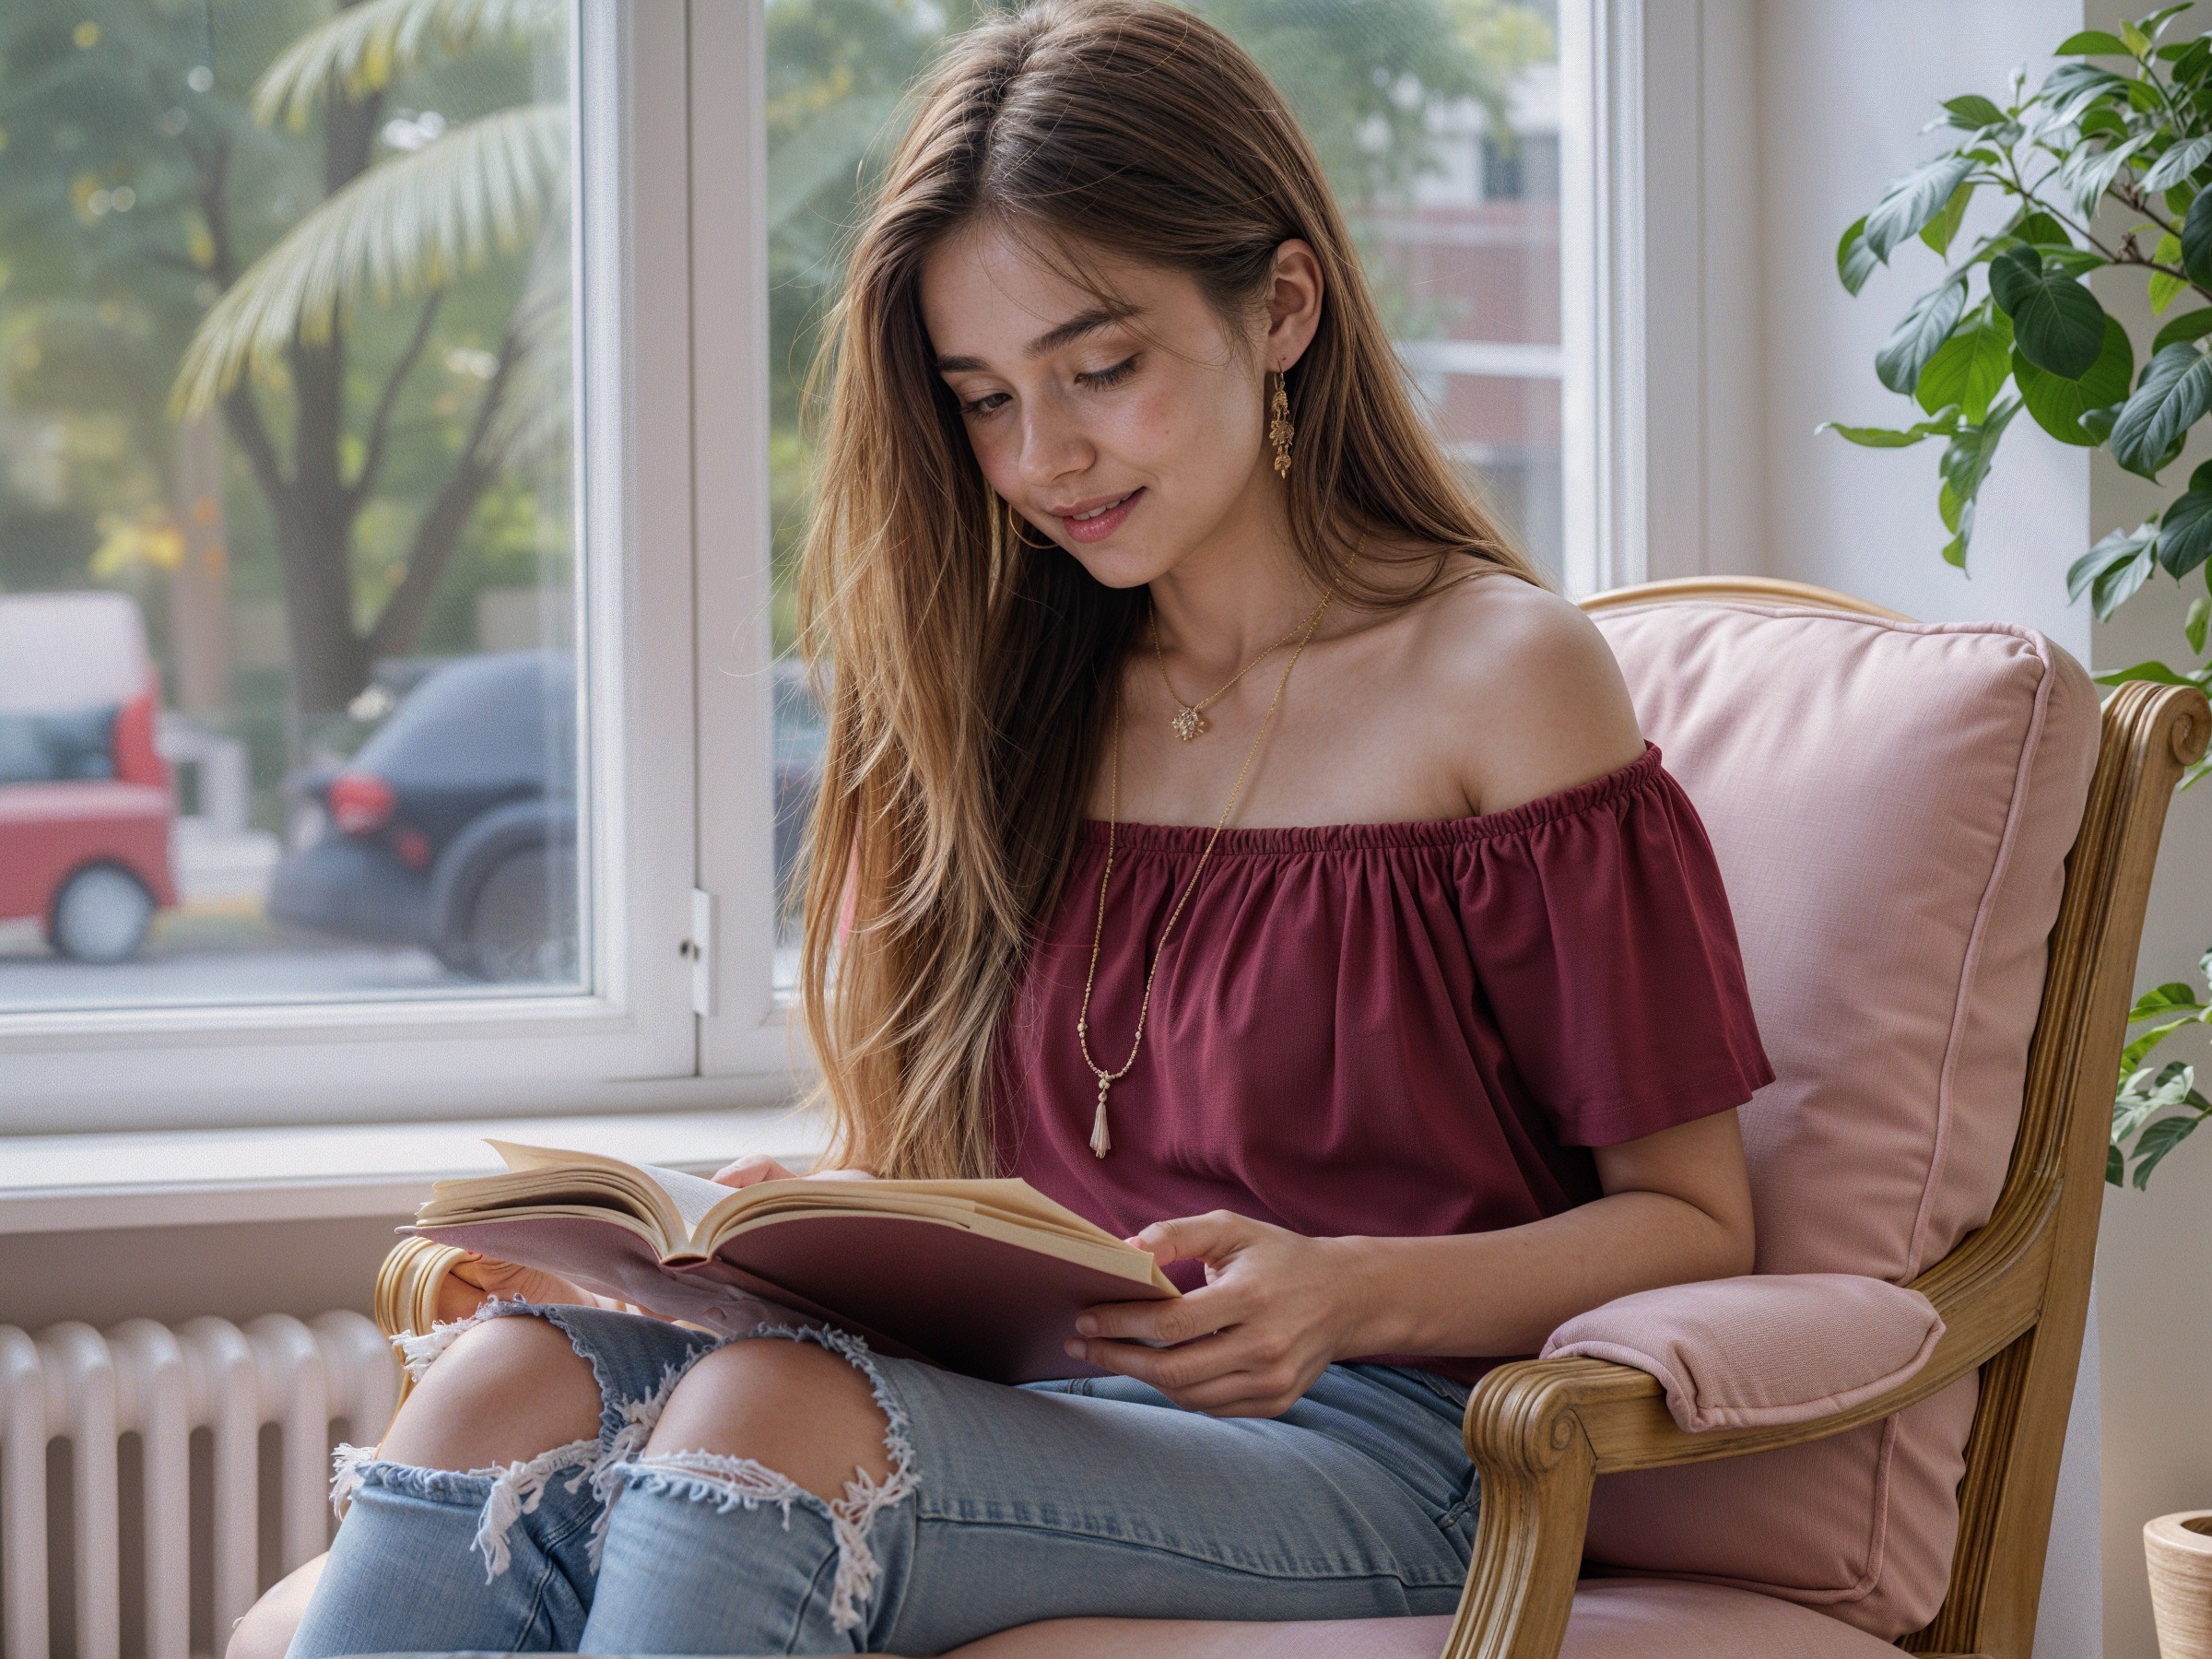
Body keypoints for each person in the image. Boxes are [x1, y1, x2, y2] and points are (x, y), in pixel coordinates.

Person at [250, 3, 1772, 1653]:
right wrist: (789, 1236)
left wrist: (1348, 1287)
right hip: (1018, 1400)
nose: (1045, 459)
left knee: (763, 1419)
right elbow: (994, 1192)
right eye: (983, 400)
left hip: (1375, 1445)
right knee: (506, 1378)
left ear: (1281, 307)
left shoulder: (1501, 676)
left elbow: (1698, 1219)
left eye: (1101, 370)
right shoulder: (1005, 698)